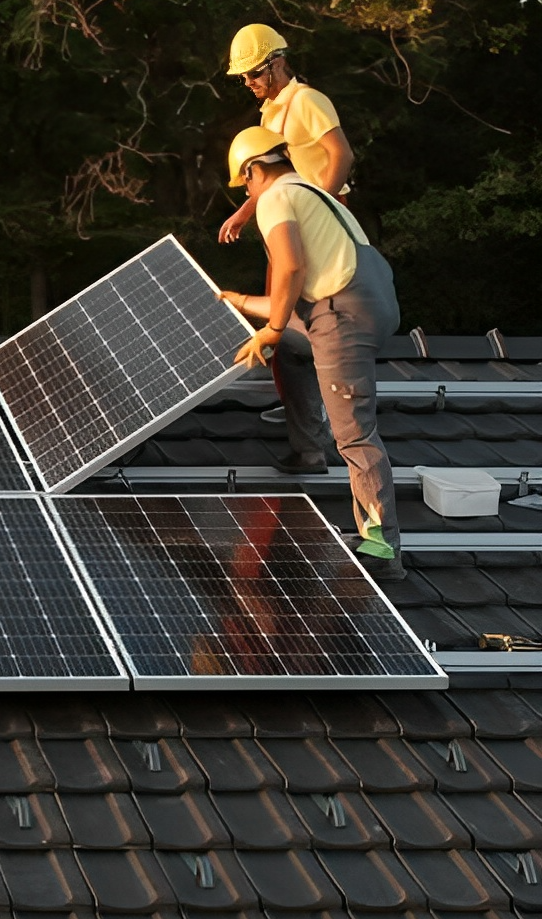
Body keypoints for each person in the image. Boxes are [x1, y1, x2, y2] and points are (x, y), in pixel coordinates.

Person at [217, 127, 405, 582]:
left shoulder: (275, 197)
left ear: (254, 170)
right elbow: (295, 292)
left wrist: (274, 327)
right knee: (293, 349)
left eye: (245, 182)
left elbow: (291, 267)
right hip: (363, 301)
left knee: (355, 435)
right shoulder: (312, 193)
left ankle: (382, 548)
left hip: (344, 317)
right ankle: (307, 450)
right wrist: (239, 300)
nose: (247, 191)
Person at [218, 24, 355, 245]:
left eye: (255, 73)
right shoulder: (269, 115)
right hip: (295, 213)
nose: (248, 82)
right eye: (243, 76)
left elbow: (342, 154)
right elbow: (271, 178)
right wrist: (244, 213)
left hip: (326, 209)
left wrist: (321, 207)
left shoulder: (306, 99)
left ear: (278, 63)